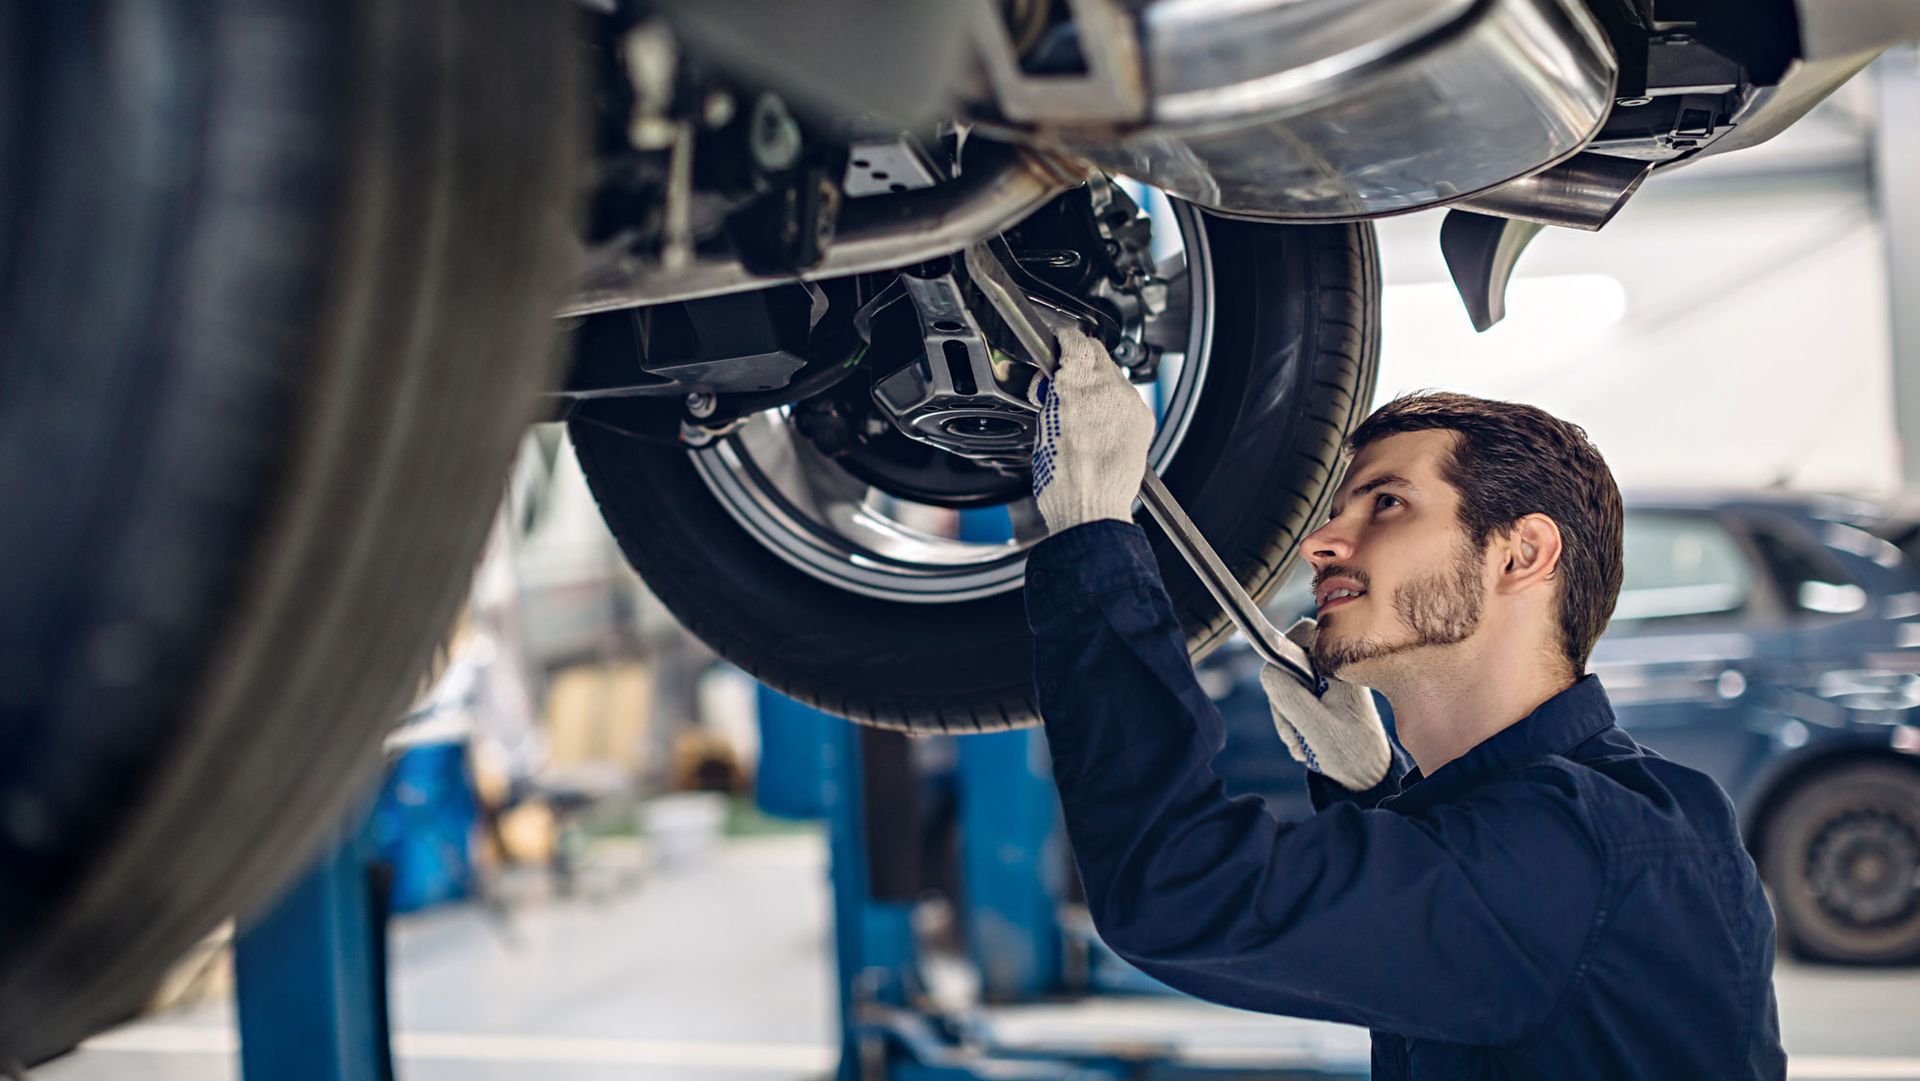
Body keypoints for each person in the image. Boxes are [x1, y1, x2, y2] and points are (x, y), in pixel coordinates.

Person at [1022, 329, 1786, 1079]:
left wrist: (1093, 534)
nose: (1318, 541)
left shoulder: (1577, 848)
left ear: (1522, 554)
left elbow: (1177, 890)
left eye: (1386, 502)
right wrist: (1373, 790)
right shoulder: (1612, 818)